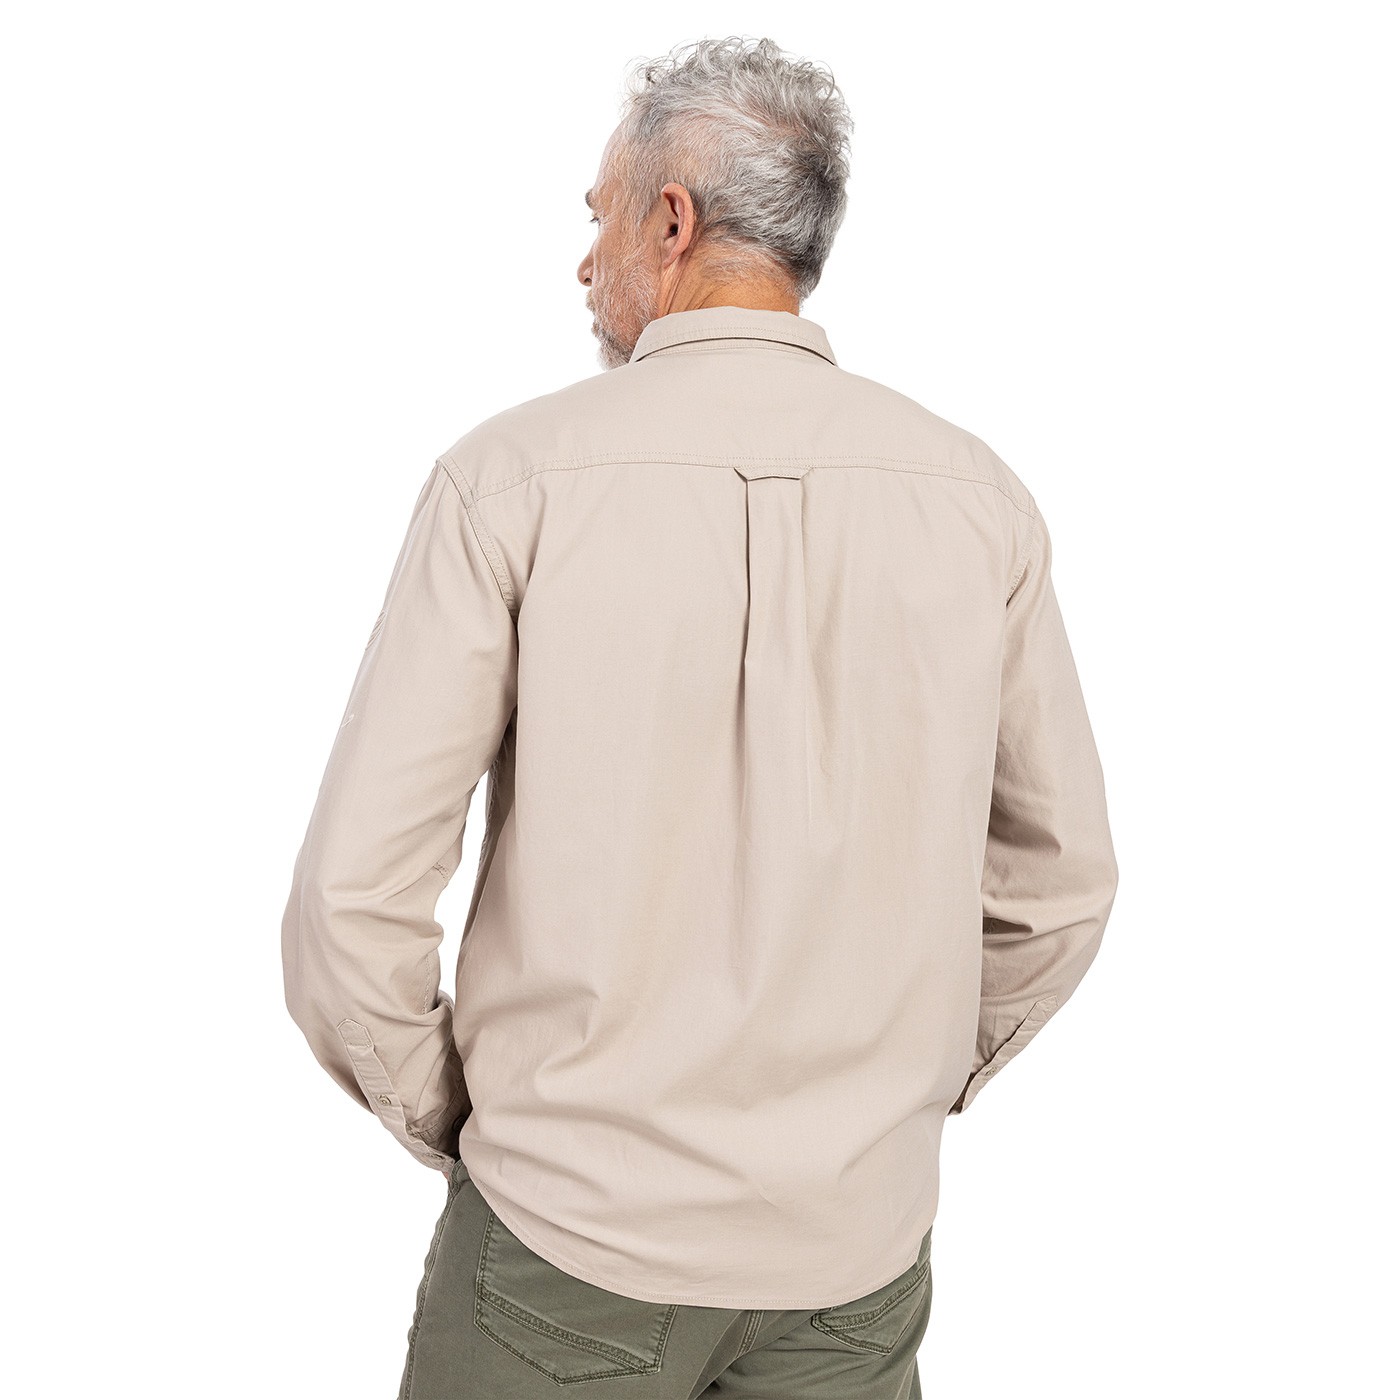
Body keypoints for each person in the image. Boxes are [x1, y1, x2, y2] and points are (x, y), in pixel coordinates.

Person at [281, 34, 1119, 1400]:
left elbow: (348, 904)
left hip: (564, 1245)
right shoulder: (977, 501)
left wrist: (481, 1126)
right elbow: (1063, 884)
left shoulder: (511, 482)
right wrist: (891, 1103)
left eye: (599, 216)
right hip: (851, 1262)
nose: (585, 263)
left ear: (672, 221)